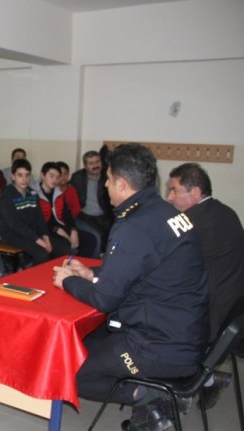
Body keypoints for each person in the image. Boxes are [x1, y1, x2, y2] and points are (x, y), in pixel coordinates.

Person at [53, 143, 209, 431]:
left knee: (66, 371)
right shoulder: (164, 212)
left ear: (122, 184)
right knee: (86, 343)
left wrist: (68, 281)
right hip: (185, 335)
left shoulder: (133, 225)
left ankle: (151, 397)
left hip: (157, 346)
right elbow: (140, 268)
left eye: (108, 179)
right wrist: (91, 273)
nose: (106, 185)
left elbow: (105, 299)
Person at [167, 163, 244, 408]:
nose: (169, 197)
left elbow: (166, 264)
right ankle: (209, 379)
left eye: (174, 190)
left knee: (147, 319)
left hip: (211, 315)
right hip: (233, 309)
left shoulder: (190, 221)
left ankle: (161, 402)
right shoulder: (225, 211)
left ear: (196, 192)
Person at [35, 162, 97, 258]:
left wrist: (73, 230)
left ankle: (77, 264)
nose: (55, 180)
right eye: (51, 176)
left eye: (57, 177)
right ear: (42, 175)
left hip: (60, 226)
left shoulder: (58, 193)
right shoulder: (34, 194)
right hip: (44, 230)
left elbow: (67, 214)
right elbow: (38, 220)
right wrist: (57, 230)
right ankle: (68, 264)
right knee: (65, 245)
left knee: (90, 239)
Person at [0, 159, 52, 265]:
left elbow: (40, 218)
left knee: (60, 249)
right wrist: (38, 240)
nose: (24, 179)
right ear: (13, 177)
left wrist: (45, 236)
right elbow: (15, 224)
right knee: (42, 254)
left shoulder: (32, 193)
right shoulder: (7, 195)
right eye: (20, 175)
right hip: (12, 235)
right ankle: (33, 275)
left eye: (27, 175)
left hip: (30, 233)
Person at [70, 150, 113, 253]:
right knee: (96, 237)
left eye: (97, 161)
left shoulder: (108, 176)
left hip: (105, 215)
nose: (95, 165)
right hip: (85, 216)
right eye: (91, 163)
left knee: (115, 234)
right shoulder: (77, 177)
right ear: (85, 166)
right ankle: (95, 261)